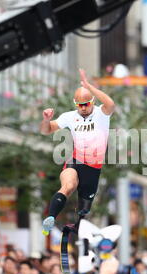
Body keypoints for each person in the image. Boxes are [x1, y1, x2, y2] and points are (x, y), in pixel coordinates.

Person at [40, 68, 115, 234]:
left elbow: (110, 104)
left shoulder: (101, 114)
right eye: (79, 105)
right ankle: (50, 218)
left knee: (84, 208)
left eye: (86, 104)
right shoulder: (69, 116)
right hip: (76, 161)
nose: (83, 108)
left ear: (93, 102)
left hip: (94, 167)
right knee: (68, 185)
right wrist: (46, 120)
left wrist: (89, 86)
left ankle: (79, 226)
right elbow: (46, 130)